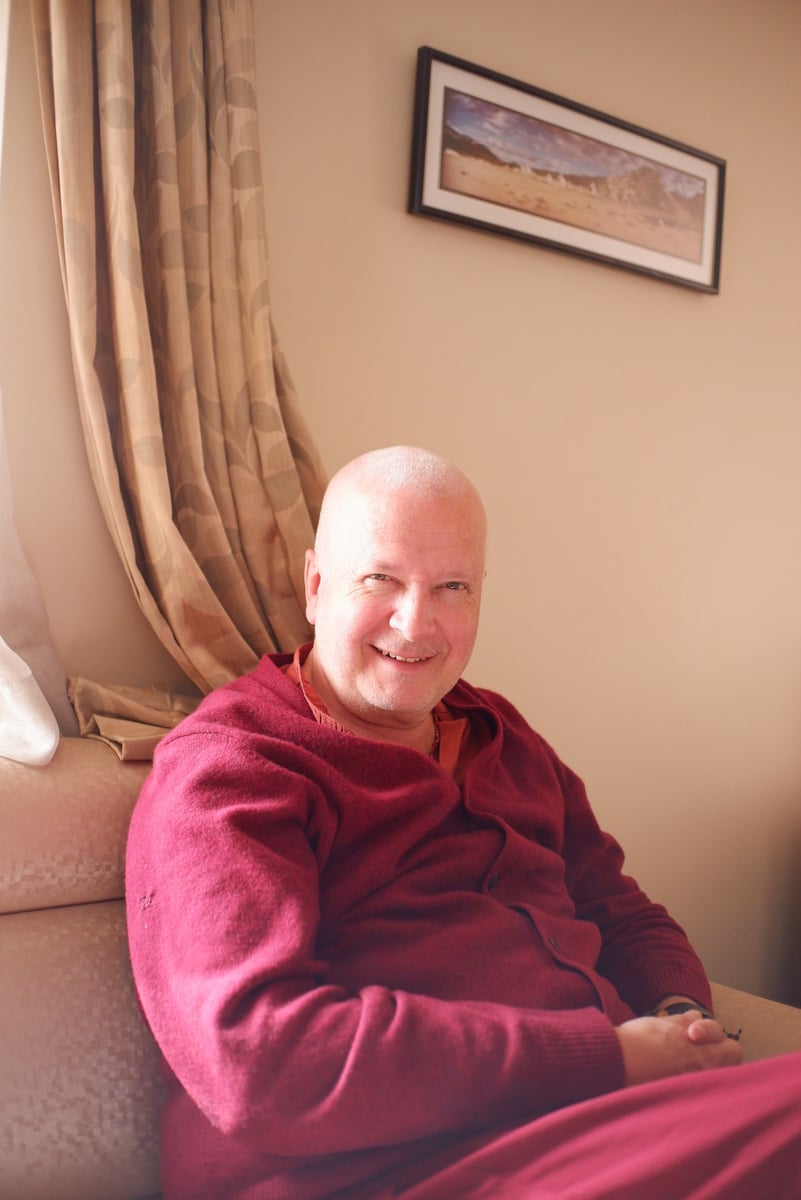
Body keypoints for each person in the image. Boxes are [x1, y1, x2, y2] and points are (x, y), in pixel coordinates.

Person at [126, 446, 801, 1200]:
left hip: (600, 1129)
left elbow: (616, 909)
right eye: (380, 579)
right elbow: (260, 1065)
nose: (415, 625)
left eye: (451, 587)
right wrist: (607, 1058)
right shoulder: (233, 771)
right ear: (316, 587)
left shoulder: (494, 731)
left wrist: (680, 1017)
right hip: (394, 1169)